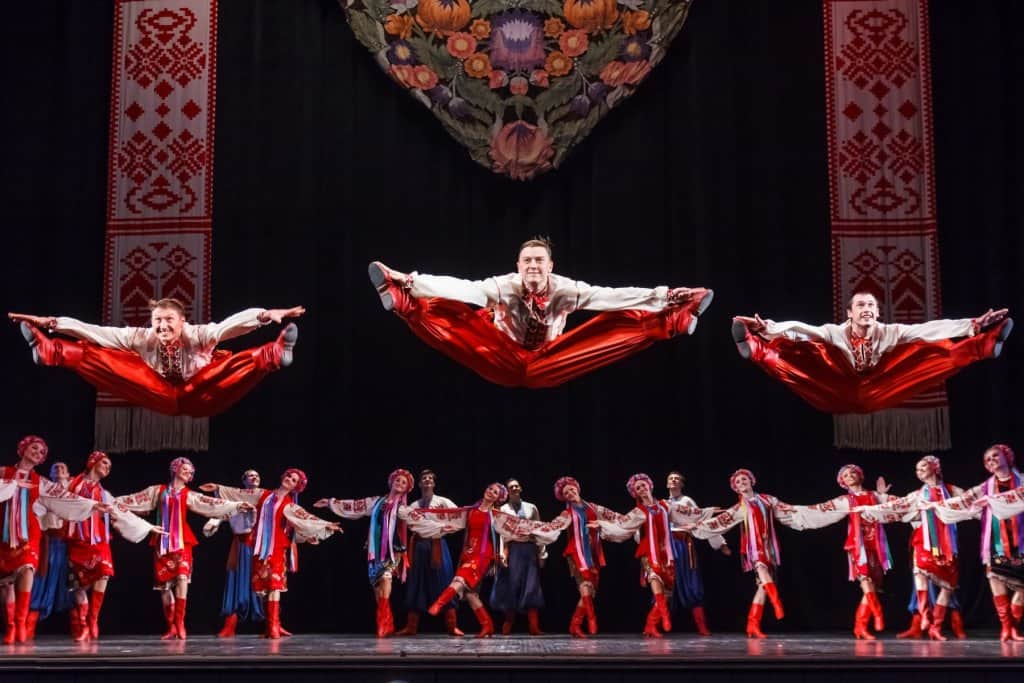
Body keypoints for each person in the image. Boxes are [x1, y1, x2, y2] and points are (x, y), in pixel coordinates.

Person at [368, 237, 713, 388]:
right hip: (501, 354)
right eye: (527, 261)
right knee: (448, 309)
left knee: (615, 320)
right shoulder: (504, 285)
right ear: (518, 266)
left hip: (548, 359)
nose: (533, 265)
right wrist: (411, 280)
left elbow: (610, 296)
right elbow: (466, 288)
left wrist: (664, 296)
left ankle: (673, 318)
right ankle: (404, 300)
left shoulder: (566, 289)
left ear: (550, 266)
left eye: (539, 261)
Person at [8, 298, 304, 416]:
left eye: (168, 320)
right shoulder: (141, 337)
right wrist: (53, 323)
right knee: (107, 356)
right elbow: (96, 332)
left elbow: (230, 326)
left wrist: (265, 315)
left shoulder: (198, 334)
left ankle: (273, 354)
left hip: (200, 394)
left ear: (182, 321)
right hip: (159, 393)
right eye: (157, 321)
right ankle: (52, 351)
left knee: (227, 367)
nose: (162, 326)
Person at [731, 292, 1011, 413]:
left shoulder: (890, 331)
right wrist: (769, 328)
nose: (866, 309)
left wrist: (972, 326)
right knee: (800, 355)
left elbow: (928, 329)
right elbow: (800, 329)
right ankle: (754, 348)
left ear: (877, 312)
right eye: (860, 305)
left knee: (932, 352)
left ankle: (983, 344)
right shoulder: (834, 331)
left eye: (870, 305)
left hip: (878, 389)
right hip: (834, 389)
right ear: (850, 313)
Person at [115, 457, 253, 639]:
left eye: (191, 471)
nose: (189, 473)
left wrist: (236, 505)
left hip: (182, 541)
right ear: (175, 469)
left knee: (182, 577)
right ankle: (171, 626)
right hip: (162, 541)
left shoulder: (189, 495)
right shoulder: (157, 491)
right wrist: (111, 501)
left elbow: (210, 504)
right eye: (185, 469)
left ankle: (180, 623)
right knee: (164, 587)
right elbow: (134, 499)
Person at [199, 469, 342, 639]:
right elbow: (238, 493)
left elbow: (305, 517)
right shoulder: (262, 494)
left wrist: (325, 525)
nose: (289, 479)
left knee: (274, 584)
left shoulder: (290, 505)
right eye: (289, 476)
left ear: (296, 487)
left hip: (277, 547)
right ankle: (269, 626)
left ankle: (274, 626)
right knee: (264, 587)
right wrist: (218, 487)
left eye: (294, 480)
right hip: (259, 548)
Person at [0, 436, 111, 643]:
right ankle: (11, 626)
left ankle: (21, 624)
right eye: (34, 448)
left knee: (27, 570)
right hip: (5, 534)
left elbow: (65, 497)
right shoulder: (4, 472)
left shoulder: (40, 482)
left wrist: (92, 505)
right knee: (6, 584)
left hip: (30, 533)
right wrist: (12, 483)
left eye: (42, 452)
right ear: (23, 449)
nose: (37, 453)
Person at [404, 483, 548, 638]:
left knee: (459, 580)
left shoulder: (496, 515)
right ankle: (487, 625)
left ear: (498, 498)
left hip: (483, 555)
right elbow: (449, 516)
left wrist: (501, 554)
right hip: (469, 554)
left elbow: (506, 534)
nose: (491, 492)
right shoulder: (471, 511)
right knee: (471, 595)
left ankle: (439, 604)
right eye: (490, 489)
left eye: (495, 492)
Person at [586, 474, 715, 637]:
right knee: (655, 580)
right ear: (636, 493)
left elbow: (689, 512)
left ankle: (650, 625)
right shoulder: (638, 512)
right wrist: (602, 524)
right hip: (649, 552)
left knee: (667, 592)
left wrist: (708, 512)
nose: (642, 489)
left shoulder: (666, 506)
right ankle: (665, 617)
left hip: (668, 553)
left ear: (650, 486)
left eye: (643, 485)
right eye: (638, 488)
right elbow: (622, 525)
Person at [856, 456, 967, 640]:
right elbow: (895, 506)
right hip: (924, 541)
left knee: (948, 587)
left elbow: (969, 501)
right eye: (917, 469)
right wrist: (871, 509)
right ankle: (924, 617)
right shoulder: (917, 495)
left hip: (947, 543)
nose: (919, 471)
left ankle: (936, 627)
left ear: (935, 467)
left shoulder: (951, 490)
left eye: (923, 467)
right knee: (920, 576)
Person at [693, 469, 812, 639]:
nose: (742, 483)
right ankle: (776, 603)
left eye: (744, 479)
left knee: (762, 586)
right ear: (736, 488)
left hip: (769, 546)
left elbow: (788, 510)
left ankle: (752, 624)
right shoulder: (739, 507)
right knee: (761, 569)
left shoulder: (768, 499)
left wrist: (810, 513)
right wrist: (695, 526)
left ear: (751, 481)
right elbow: (718, 522)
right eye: (738, 482)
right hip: (754, 547)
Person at [782, 465, 893, 639]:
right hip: (858, 544)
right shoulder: (845, 500)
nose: (850, 476)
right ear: (843, 482)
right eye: (845, 475)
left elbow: (899, 505)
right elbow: (820, 510)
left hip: (877, 543)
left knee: (872, 584)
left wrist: (883, 497)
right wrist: (794, 510)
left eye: (852, 473)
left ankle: (860, 626)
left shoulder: (875, 495)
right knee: (865, 579)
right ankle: (877, 614)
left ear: (860, 475)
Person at [65, 451, 165, 640]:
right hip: (78, 540)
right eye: (104, 463)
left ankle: (93, 620)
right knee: (79, 586)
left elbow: (122, 513)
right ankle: (83, 623)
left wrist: (148, 527)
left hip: (99, 540)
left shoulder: (105, 495)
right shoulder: (72, 484)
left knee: (104, 573)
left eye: (109, 466)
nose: (107, 468)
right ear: (93, 462)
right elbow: (57, 500)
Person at [929, 444, 1024, 641]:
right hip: (996, 542)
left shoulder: (1021, 481)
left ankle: (1013, 625)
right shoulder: (984, 488)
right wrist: (936, 505)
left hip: (1021, 541)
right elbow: (963, 500)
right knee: (996, 580)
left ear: (1007, 456)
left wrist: (994, 500)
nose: (992, 460)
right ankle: (1006, 628)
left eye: (995, 456)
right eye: (988, 459)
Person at [314, 469, 417, 638]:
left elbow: (421, 519)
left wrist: (442, 523)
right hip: (374, 549)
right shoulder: (375, 501)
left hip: (393, 549)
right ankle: (387, 623)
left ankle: (383, 623)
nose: (400, 483)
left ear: (407, 489)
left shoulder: (404, 508)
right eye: (398, 480)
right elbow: (355, 506)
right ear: (391, 482)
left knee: (386, 577)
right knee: (377, 584)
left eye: (403, 482)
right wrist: (331, 503)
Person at [393, 469, 462, 636]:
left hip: (437, 544)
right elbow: (403, 523)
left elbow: (459, 516)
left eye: (430, 478)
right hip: (418, 546)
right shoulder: (413, 506)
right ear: (419, 483)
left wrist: (449, 528)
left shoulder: (443, 502)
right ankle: (411, 627)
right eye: (424, 478)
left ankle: (452, 625)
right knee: (416, 584)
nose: (428, 480)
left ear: (434, 483)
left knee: (445, 582)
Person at [201, 469, 265, 638]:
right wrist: (213, 522)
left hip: (260, 546)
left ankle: (272, 624)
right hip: (241, 546)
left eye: (257, 476)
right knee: (235, 584)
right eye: (251, 475)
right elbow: (222, 512)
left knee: (266, 583)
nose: (255, 477)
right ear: (243, 481)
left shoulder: (264, 498)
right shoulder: (233, 500)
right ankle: (230, 625)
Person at [665, 471, 730, 636]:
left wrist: (720, 543)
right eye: (671, 478)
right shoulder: (664, 504)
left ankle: (702, 627)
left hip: (682, 544)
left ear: (681, 484)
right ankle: (651, 626)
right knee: (663, 582)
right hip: (667, 546)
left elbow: (702, 520)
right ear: (667, 484)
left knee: (691, 583)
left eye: (677, 479)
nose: (673, 480)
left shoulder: (686, 501)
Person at [25, 461, 75, 639]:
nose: (59, 469)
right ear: (51, 474)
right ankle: (27, 627)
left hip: (69, 545)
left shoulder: (75, 491)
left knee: (71, 585)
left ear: (68, 474)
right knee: (40, 582)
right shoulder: (44, 491)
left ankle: (80, 627)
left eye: (63, 467)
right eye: (55, 468)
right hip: (48, 542)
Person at [490, 478, 545, 635]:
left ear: (520, 488)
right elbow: (501, 534)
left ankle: (533, 625)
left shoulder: (531, 508)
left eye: (516, 486)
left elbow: (539, 530)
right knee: (511, 585)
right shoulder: (503, 509)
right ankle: (508, 622)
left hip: (529, 549)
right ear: (507, 491)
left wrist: (542, 553)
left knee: (532, 586)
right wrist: (502, 553)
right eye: (511, 487)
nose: (514, 488)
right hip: (513, 549)